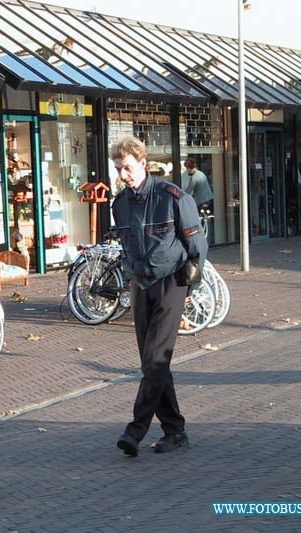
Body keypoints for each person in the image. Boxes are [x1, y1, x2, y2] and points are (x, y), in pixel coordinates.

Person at [111, 137, 208, 457]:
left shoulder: (172, 197)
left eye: (126, 167)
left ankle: (135, 430)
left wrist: (189, 283)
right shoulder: (120, 204)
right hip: (141, 283)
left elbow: (196, 246)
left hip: (171, 282)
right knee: (152, 363)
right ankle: (175, 430)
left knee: (155, 358)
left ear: (142, 162)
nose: (122, 174)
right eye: (117, 169)